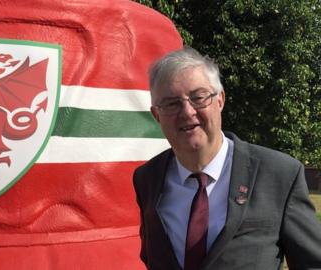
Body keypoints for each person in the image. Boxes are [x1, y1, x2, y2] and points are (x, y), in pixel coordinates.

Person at [133, 46, 321, 270]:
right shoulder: (147, 179)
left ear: (220, 100)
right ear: (156, 115)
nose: (187, 112)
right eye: (172, 103)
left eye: (198, 97)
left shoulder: (279, 174)